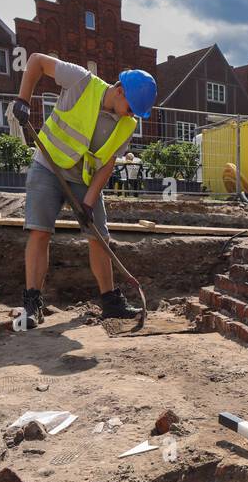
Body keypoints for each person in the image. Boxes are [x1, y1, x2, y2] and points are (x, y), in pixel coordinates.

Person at [9, 54, 156, 325]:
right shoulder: (81, 80)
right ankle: (32, 304)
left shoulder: (128, 124)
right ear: (119, 90)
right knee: (40, 232)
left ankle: (111, 302)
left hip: (84, 180)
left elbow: (107, 164)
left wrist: (88, 203)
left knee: (99, 236)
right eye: (131, 107)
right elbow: (37, 61)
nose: (132, 114)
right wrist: (23, 99)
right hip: (48, 166)